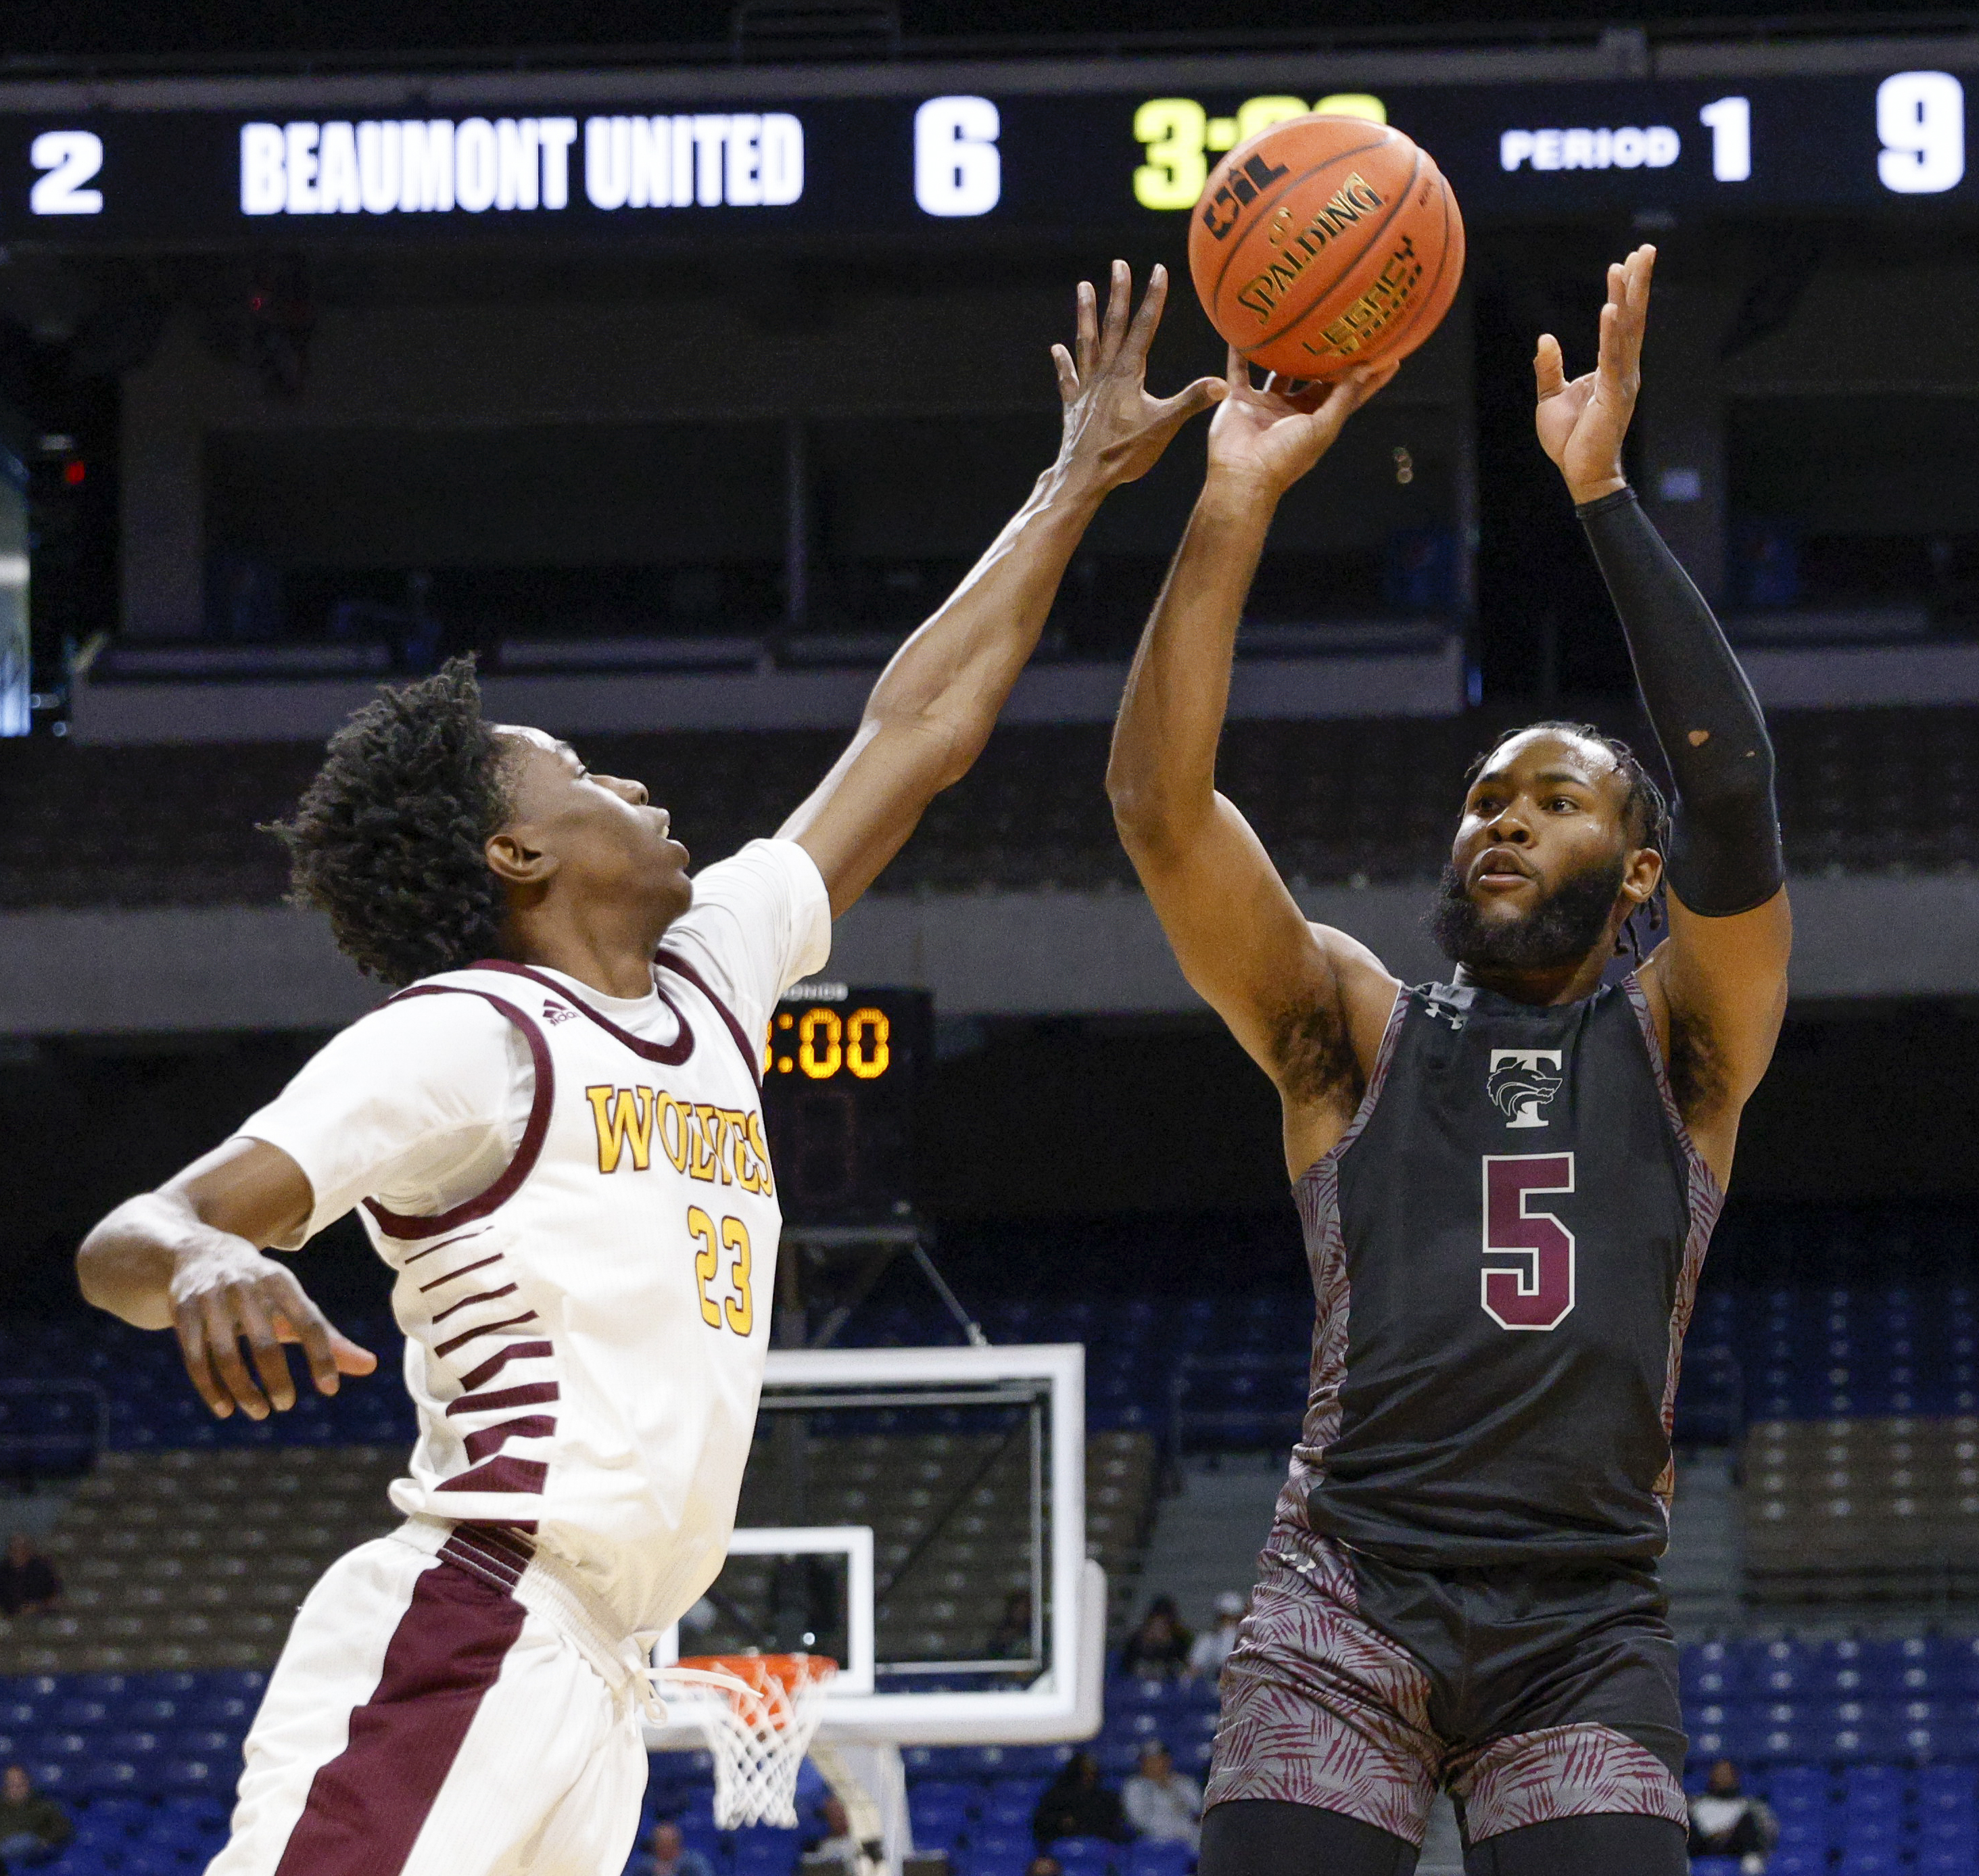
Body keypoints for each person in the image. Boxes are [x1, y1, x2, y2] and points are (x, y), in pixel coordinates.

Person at [74, 262, 1220, 1876]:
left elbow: (916, 730)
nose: (635, 784)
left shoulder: (712, 981)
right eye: (586, 773)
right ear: (517, 847)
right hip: (471, 1626)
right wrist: (198, 1252)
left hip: (608, 1671)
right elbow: (134, 1233)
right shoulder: (466, 1035)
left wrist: (1071, 484)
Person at [1109, 244, 1788, 1876]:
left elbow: (1739, 792)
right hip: (1343, 1591)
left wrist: (1606, 493)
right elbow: (1160, 810)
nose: (1501, 816)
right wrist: (1234, 500)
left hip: (1586, 1622)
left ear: (1641, 872)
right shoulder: (1347, 1028)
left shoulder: (1688, 1045)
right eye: (1487, 795)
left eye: (1552, 799)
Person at [1686, 1760, 1777, 1874]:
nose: (1723, 1778)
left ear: (1735, 1777)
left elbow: (1769, 1832)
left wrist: (1728, 1833)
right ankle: (1683, 1864)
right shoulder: (1695, 1803)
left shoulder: (1750, 1804)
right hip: (1702, 1845)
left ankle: (1752, 1865)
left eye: (1726, 1774)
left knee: (1749, 1820)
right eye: (1719, 1774)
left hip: (1735, 1847)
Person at [1032, 1752, 1130, 1846]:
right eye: (1084, 1773)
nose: (1088, 1778)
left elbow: (1115, 1830)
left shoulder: (1107, 1799)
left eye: (1092, 1774)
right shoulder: (1055, 1798)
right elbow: (1042, 1828)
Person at [1122, 1741, 1203, 1850]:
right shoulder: (1134, 1786)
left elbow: (1198, 1810)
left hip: (1190, 1838)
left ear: (1168, 1761)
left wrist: (1173, 1790)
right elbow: (1138, 1821)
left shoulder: (1185, 1783)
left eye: (1159, 1759)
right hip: (1154, 1840)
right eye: (1149, 1760)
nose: (1154, 1764)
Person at [0, 1764, 71, 1867]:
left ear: (28, 1785)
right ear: (5, 1788)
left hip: (34, 1857)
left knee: (25, 1840)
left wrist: (45, 1840)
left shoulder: (43, 1806)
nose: (16, 1790)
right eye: (12, 1785)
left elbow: (62, 1827)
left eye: (21, 1785)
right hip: (4, 1859)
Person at [1119, 1595, 1193, 1679]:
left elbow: (1182, 1669)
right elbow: (1126, 1668)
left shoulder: (1179, 1643)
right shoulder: (1135, 1641)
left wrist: (1166, 1645)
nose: (1160, 1627)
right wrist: (1147, 1644)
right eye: (1157, 1622)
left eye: (1164, 1623)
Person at [1186, 1591, 1245, 1679]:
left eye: (1235, 1619)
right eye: (1226, 1618)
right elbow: (1193, 1670)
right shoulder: (1207, 1640)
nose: (1230, 1624)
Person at [0, 1537, 60, 1618]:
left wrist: (39, 1606)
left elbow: (56, 1599)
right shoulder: (3, 1570)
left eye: (20, 1550)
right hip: (8, 1618)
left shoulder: (42, 1571)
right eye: (12, 1550)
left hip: (39, 1618)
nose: (15, 1554)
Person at [632, 1819, 716, 1876]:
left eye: (667, 1844)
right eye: (660, 1844)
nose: (664, 1849)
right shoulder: (645, 1865)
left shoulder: (694, 1862)